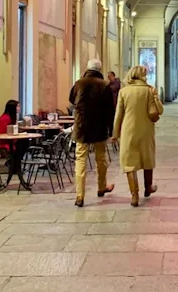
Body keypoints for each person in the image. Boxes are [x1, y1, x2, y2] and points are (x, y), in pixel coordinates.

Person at [112, 65, 163, 206]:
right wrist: (155, 96)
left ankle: (134, 195)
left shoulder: (124, 91)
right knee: (147, 158)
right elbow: (160, 110)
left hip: (128, 130)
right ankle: (148, 187)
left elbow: (118, 115)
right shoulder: (149, 90)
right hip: (146, 130)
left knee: (130, 163)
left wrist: (115, 133)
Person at [68, 59, 115, 207]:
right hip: (99, 127)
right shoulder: (105, 85)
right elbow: (110, 110)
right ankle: (102, 187)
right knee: (101, 159)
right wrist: (111, 130)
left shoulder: (79, 83)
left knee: (80, 159)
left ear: (87, 69)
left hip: (81, 126)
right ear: (100, 70)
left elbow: (71, 99)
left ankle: (80, 195)